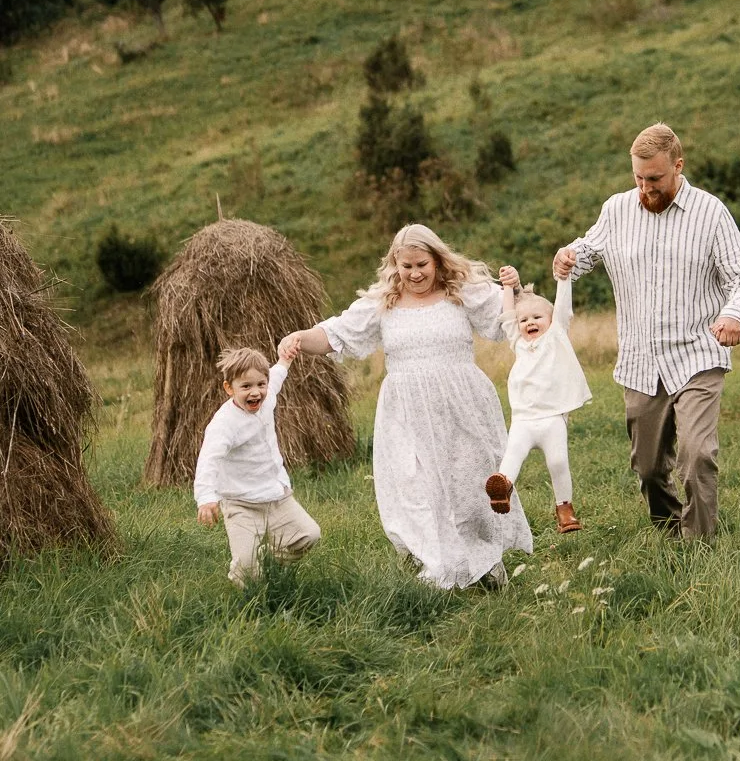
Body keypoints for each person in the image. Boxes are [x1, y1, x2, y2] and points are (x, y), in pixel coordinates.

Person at [279, 224, 531, 589]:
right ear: (394, 264)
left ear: (437, 261)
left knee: (470, 487)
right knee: (417, 489)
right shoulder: (383, 303)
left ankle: (485, 563)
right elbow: (337, 334)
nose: (414, 274)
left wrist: (515, 289)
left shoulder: (461, 293)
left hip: (462, 406)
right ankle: (441, 567)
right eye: (406, 266)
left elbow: (509, 321)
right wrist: (300, 338)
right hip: (407, 412)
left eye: (422, 265)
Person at [552, 122, 740, 540]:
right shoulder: (616, 209)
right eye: (638, 178)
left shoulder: (711, 212)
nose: (645, 188)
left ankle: (699, 544)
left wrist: (735, 313)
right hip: (641, 360)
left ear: (678, 166)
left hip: (698, 353)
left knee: (696, 454)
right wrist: (570, 256)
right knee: (647, 467)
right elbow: (590, 248)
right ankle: (669, 530)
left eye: (655, 179)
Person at [194, 342, 322, 585]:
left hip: (275, 495)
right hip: (241, 503)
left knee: (308, 535)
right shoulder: (224, 424)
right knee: (248, 573)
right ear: (229, 389)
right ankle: (246, 583)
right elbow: (209, 459)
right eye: (246, 386)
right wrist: (206, 497)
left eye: (260, 384)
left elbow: (277, 375)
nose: (255, 392)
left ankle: (269, 560)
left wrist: (286, 360)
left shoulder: (267, 396)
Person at [485, 270, 591, 534]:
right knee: (512, 456)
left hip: (552, 418)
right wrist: (508, 286)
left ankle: (564, 509)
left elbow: (564, 306)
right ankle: (502, 489)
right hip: (523, 420)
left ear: (551, 320)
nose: (528, 322)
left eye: (536, 317)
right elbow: (508, 315)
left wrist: (563, 278)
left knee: (558, 462)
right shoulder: (519, 343)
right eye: (524, 320)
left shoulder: (556, 336)